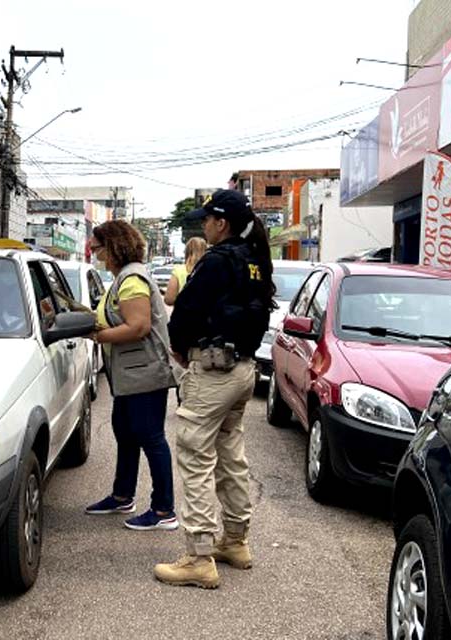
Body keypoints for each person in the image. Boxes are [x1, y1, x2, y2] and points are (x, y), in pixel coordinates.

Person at [154, 189, 274, 590]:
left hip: (214, 372)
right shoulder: (256, 260)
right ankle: (236, 542)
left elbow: (185, 311)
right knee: (229, 454)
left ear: (221, 223)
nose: (203, 224)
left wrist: (182, 351)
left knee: (194, 457)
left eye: (207, 219)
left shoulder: (218, 260)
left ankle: (199, 556)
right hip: (242, 370)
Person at [85, 220, 179, 531]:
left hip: (144, 374)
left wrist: (100, 336)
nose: (96, 255)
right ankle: (122, 495)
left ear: (113, 247)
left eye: (98, 249)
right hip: (128, 376)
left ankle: (164, 510)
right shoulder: (121, 278)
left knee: (151, 437)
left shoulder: (132, 279)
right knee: (125, 433)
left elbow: (137, 327)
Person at [164, 237, 207, 306]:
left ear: (186, 251)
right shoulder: (212, 269)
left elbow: (169, 299)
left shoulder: (178, 270)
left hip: (184, 315)